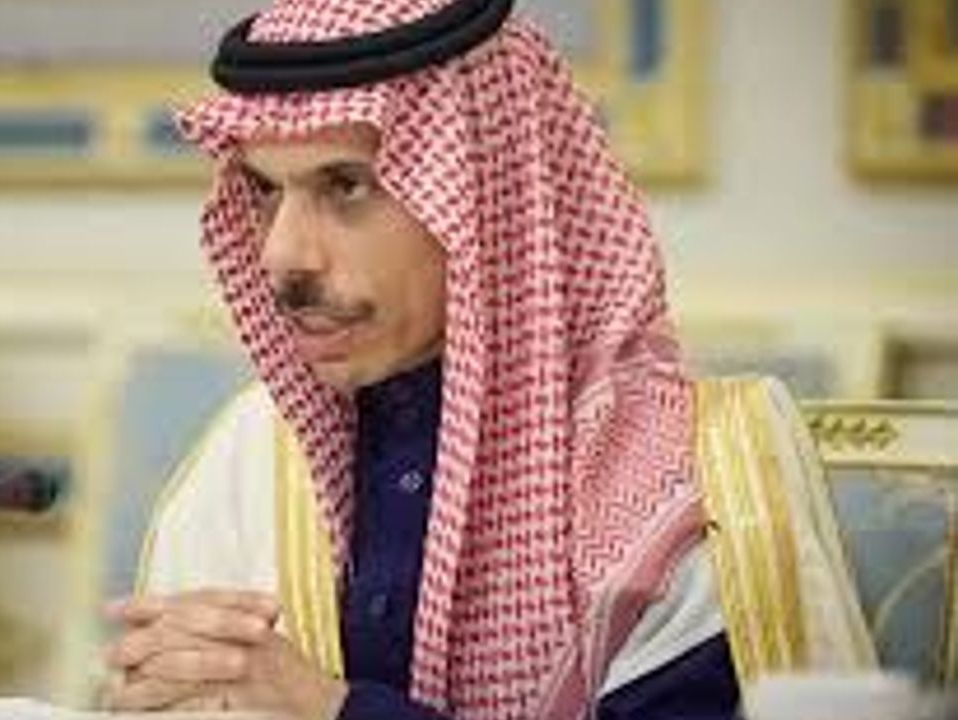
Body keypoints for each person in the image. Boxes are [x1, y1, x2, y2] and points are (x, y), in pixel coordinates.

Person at [105, 1, 876, 718]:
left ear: (489, 196)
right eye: (264, 192)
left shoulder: (691, 477)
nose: (282, 257)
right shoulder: (253, 456)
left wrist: (332, 708)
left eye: (345, 186)